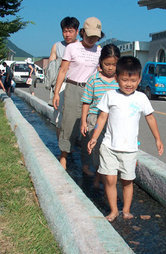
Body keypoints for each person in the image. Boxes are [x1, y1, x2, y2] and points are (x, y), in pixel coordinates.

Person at [87, 56, 164, 222]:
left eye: (133, 81)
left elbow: (150, 118)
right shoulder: (110, 95)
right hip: (109, 146)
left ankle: (126, 209)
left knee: (127, 180)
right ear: (116, 79)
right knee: (109, 178)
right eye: (124, 80)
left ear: (139, 79)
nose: (129, 84)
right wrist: (94, 137)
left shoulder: (141, 98)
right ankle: (114, 210)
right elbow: (101, 118)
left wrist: (157, 139)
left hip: (129, 149)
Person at [52, 17, 105, 170]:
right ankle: (63, 156)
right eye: (89, 36)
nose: (92, 39)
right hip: (73, 88)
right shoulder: (72, 48)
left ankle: (86, 164)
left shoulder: (99, 51)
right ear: (82, 32)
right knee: (68, 124)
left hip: (91, 91)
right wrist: (56, 93)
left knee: (88, 126)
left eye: (95, 37)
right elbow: (62, 71)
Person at [80, 44, 120, 179]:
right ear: (101, 62)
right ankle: (97, 172)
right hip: (94, 118)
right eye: (107, 64)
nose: (110, 68)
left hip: (113, 121)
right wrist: (83, 121)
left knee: (108, 147)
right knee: (95, 146)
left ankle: (103, 173)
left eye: (114, 64)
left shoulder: (120, 81)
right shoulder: (94, 79)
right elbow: (86, 102)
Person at [47, 17, 80, 134]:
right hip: (60, 85)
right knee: (58, 117)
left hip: (77, 85)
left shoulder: (82, 46)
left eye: (70, 31)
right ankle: (61, 148)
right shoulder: (57, 46)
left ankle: (72, 145)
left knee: (76, 116)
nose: (67, 34)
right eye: (65, 31)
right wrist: (53, 89)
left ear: (77, 31)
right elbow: (51, 68)